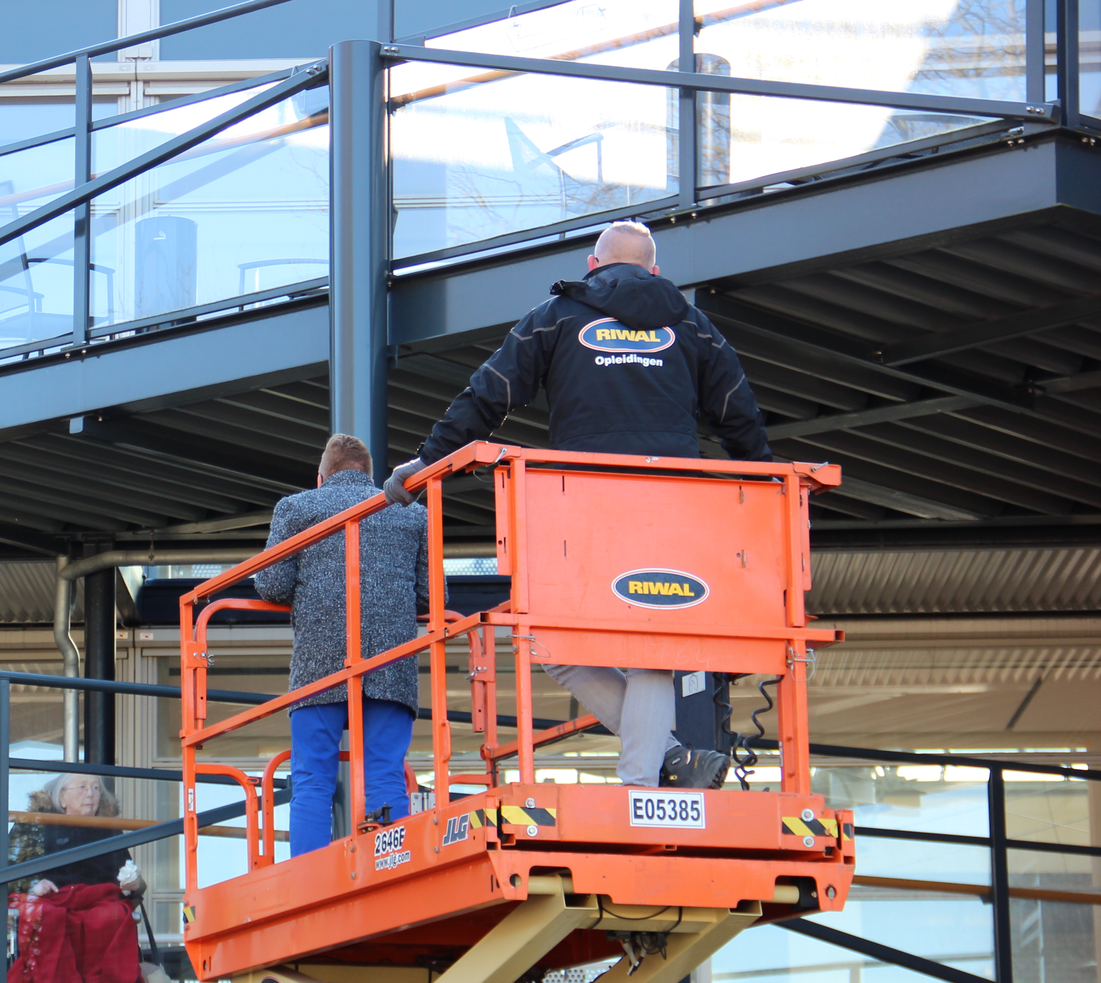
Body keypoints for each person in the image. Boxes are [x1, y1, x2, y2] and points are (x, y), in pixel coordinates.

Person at [383, 219, 765, 791]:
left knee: (553, 641)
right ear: (654, 272)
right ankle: (659, 769)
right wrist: (763, 494)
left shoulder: (558, 315)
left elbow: (491, 394)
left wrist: (428, 459)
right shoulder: (692, 324)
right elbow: (739, 412)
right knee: (652, 648)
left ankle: (650, 776)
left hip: (585, 503)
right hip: (675, 505)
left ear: (593, 267)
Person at [257, 433, 429, 857]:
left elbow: (272, 584)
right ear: (371, 477)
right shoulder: (414, 515)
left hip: (321, 665)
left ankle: (310, 880)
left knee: (313, 778)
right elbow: (430, 595)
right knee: (386, 772)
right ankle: (390, 864)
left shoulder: (296, 508)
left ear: (321, 478)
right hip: (392, 662)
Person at [5, 773, 146, 983]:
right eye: (82, 787)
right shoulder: (36, 827)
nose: (90, 793)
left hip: (97, 900)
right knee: (49, 917)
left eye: (95, 788)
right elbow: (8, 872)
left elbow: (133, 882)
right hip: (51, 899)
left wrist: (133, 884)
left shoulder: (109, 831)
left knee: (115, 915)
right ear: (62, 798)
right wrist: (32, 885)